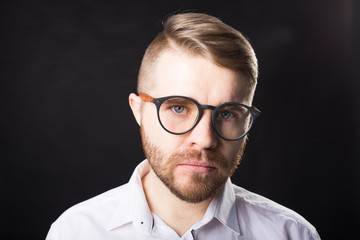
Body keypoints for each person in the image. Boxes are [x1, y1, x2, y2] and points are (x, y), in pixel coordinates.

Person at [46, 12, 320, 240]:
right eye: (179, 108)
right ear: (138, 110)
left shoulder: (291, 234)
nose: (204, 139)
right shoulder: (74, 232)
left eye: (227, 114)